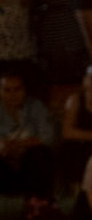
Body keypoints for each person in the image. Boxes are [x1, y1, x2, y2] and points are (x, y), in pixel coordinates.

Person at [0, 69, 59, 198]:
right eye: (7, 90)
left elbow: (48, 137)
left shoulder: (36, 107)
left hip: (31, 161)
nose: (12, 95)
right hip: (6, 163)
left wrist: (19, 145)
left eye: (17, 89)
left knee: (40, 156)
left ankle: (38, 203)